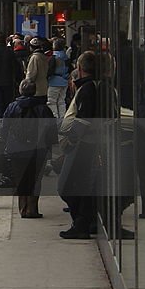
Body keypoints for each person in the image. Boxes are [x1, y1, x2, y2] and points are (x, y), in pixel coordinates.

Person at [57, 52, 103, 239]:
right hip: (89, 144)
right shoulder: (93, 87)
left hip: (84, 146)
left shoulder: (88, 89)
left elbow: (84, 119)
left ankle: (81, 223)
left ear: (80, 68)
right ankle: (84, 222)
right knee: (82, 186)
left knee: (67, 186)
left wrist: (71, 141)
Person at [0, 79, 57, 217]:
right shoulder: (43, 109)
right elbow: (51, 130)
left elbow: (4, 127)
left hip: (16, 149)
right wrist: (50, 147)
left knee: (21, 178)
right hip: (39, 149)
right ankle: (32, 208)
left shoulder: (12, 107)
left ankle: (23, 208)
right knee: (36, 179)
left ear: (20, 91)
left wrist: (4, 141)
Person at [46, 37, 70, 125]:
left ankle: (55, 119)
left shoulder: (53, 57)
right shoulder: (66, 57)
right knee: (61, 101)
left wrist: (47, 77)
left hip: (54, 81)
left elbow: (50, 70)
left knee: (51, 101)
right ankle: (63, 119)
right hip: (64, 81)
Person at [24, 37, 50, 103]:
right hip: (44, 87)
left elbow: (31, 75)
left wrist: (26, 84)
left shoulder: (34, 57)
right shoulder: (44, 56)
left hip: (35, 89)